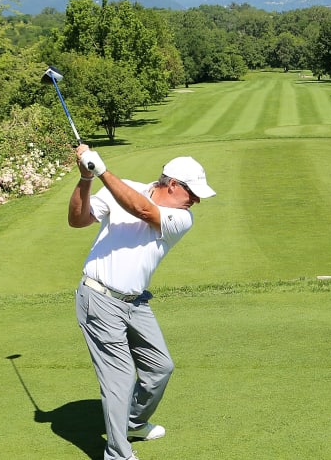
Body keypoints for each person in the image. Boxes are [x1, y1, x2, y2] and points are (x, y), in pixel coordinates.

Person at [68, 144, 216, 460]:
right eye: (194, 192)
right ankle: (118, 454)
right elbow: (78, 220)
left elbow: (142, 210)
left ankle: (133, 422)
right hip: (99, 298)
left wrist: (103, 171)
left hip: (136, 303)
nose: (198, 200)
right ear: (173, 184)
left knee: (160, 367)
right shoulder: (125, 189)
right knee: (119, 378)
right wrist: (85, 179)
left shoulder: (181, 217)